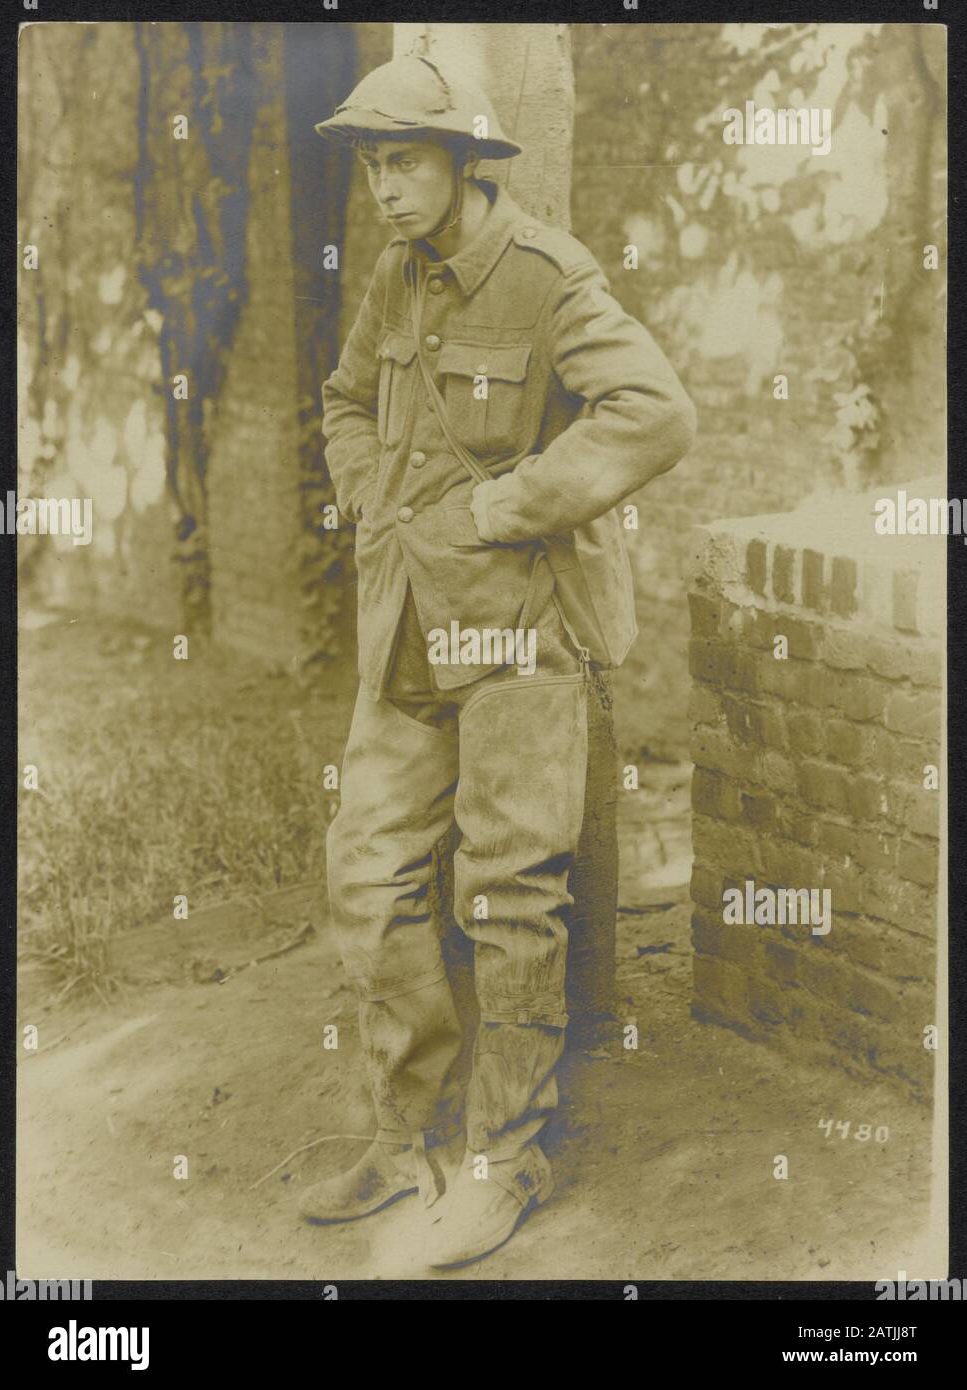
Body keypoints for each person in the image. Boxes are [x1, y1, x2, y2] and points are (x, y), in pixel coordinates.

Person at [301, 53, 696, 1269]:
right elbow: (345, 400)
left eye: (405, 161)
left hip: (523, 633)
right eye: (372, 165)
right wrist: (373, 498)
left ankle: (501, 1157)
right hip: (412, 627)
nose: (385, 187)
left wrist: (509, 504)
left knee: (513, 895)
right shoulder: (392, 274)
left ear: (463, 163)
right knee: (367, 872)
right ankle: (399, 1133)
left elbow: (657, 412)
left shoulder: (546, 275)